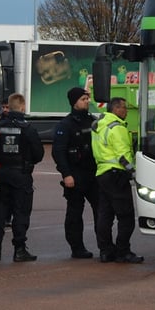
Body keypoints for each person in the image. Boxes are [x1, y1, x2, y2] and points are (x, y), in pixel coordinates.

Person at [0, 92, 44, 262]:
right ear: (22, 106)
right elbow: (39, 154)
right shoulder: (27, 128)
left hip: (2, 173)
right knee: (21, 211)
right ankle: (19, 249)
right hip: (21, 174)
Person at [91, 97, 143, 264]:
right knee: (126, 216)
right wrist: (134, 173)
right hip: (117, 175)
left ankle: (105, 251)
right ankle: (123, 251)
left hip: (102, 173)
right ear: (116, 109)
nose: (127, 111)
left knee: (105, 215)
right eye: (124, 108)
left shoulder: (98, 126)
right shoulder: (117, 128)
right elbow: (123, 156)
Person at [52, 87, 99, 259]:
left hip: (94, 174)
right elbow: (58, 151)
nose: (87, 101)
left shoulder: (94, 122)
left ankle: (105, 246)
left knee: (101, 211)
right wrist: (66, 174)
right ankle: (77, 248)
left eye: (87, 99)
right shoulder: (65, 125)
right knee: (74, 213)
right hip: (75, 175)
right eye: (82, 99)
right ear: (74, 102)